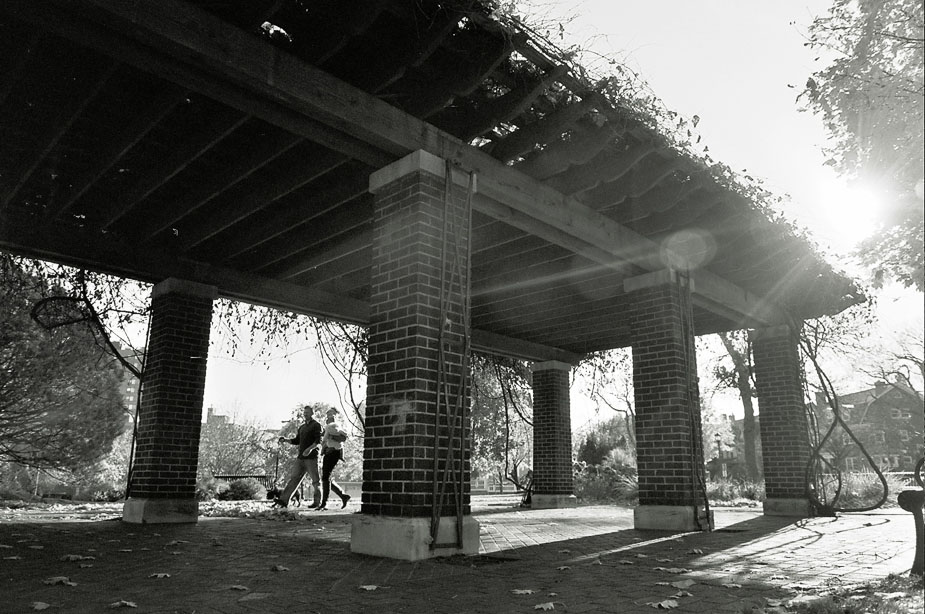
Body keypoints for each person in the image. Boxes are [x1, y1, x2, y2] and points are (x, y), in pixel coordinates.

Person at [276, 405, 323, 508]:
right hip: (300, 458)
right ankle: (284, 501)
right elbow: (297, 441)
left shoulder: (316, 425)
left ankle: (317, 502)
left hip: (312, 458)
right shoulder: (302, 427)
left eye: (307, 412)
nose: (305, 414)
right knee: (294, 479)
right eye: (304, 412)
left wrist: (310, 449)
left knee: (315, 481)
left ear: (312, 413)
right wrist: (286, 440)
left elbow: (318, 441)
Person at [316, 408, 351, 511]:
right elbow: (324, 438)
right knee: (327, 477)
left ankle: (324, 503)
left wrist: (330, 436)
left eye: (331, 414)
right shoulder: (328, 427)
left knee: (325, 477)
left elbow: (343, 438)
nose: (328, 416)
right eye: (328, 414)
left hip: (334, 452)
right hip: (328, 452)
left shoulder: (337, 426)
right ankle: (343, 496)